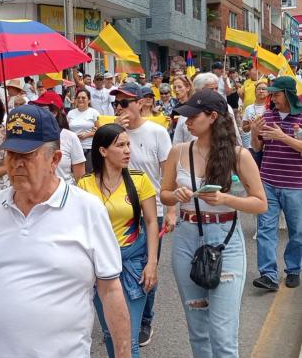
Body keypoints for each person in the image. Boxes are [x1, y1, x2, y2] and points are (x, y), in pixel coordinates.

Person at [0, 105, 131, 357]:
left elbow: (110, 290)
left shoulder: (87, 209)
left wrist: (123, 354)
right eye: (11, 154)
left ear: (54, 160)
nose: (16, 164)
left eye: (27, 155)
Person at [161, 89, 267, 357]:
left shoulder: (238, 155)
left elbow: (260, 202)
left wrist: (225, 199)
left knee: (222, 333)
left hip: (225, 241)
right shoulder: (178, 151)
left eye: (192, 116)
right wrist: (175, 195)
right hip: (186, 238)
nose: (186, 121)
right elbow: (164, 193)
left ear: (212, 117)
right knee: (198, 330)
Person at [78, 123, 159, 357]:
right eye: (120, 145)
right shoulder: (84, 184)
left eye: (128, 145)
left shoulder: (139, 180)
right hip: (99, 269)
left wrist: (152, 263)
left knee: (129, 338)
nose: (127, 151)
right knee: (110, 334)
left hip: (133, 267)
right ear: (103, 151)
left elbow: (152, 222)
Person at [111, 83, 175, 346]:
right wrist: (114, 130)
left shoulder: (157, 132)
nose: (119, 108)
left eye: (124, 103)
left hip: (151, 211)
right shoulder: (113, 133)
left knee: (148, 267)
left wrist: (171, 209)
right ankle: (121, 317)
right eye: (116, 103)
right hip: (118, 210)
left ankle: (145, 320)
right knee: (115, 267)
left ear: (141, 103)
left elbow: (167, 173)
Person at [251, 76, 302, 290]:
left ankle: (293, 269)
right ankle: (268, 274)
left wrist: (283, 137)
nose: (272, 97)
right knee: (265, 229)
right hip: (268, 181)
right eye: (272, 93)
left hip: (295, 184)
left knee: (297, 231)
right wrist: (254, 132)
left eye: (277, 94)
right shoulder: (267, 115)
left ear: (288, 94)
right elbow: (257, 148)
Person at [30, 92, 86, 184]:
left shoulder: (70, 137)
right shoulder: (30, 137)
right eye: (36, 108)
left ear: (54, 112)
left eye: (41, 109)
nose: (36, 113)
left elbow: (80, 178)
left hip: (65, 194)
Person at [173, 73, 241, 145]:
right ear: (198, 90)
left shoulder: (226, 107)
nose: (215, 92)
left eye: (216, 88)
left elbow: (235, 136)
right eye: (211, 89)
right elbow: (177, 143)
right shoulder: (186, 110)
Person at [67, 89, 100, 173]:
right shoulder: (70, 113)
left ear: (89, 100)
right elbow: (66, 130)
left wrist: (87, 135)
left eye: (83, 97)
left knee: (89, 174)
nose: (80, 99)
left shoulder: (94, 112)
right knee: (75, 174)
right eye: (78, 98)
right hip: (73, 148)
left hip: (89, 148)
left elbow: (100, 131)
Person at [241, 79, 268, 160]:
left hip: (266, 146)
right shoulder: (249, 108)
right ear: (255, 91)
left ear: (268, 92)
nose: (261, 91)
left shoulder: (271, 108)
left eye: (264, 89)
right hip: (251, 145)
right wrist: (251, 126)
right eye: (259, 89)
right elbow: (244, 129)